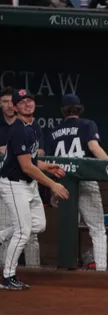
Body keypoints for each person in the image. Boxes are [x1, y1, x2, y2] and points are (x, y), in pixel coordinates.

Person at [0, 89, 69, 290]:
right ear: (14, 107)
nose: (27, 104)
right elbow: (26, 166)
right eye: (22, 102)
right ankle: (8, 277)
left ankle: (2, 236)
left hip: (28, 185)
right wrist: (53, 184)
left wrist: (48, 167)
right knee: (23, 231)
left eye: (30, 100)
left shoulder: (34, 126)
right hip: (14, 184)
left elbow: (32, 161)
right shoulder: (18, 129)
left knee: (38, 225)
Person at [45, 94, 108, 271]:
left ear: (62, 111)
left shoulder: (53, 131)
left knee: (69, 229)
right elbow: (94, 148)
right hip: (85, 181)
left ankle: (67, 267)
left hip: (63, 184)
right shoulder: (87, 124)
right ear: (79, 108)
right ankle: (102, 271)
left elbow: (48, 162)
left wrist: (52, 189)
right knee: (97, 229)